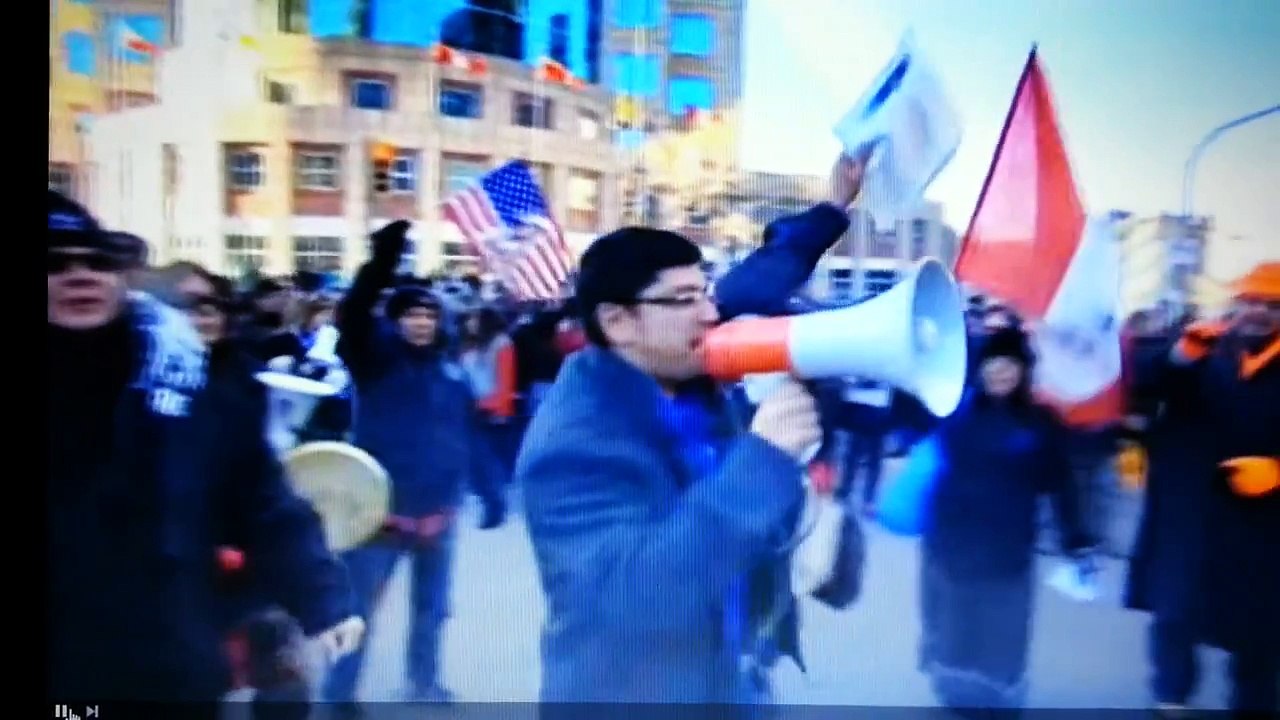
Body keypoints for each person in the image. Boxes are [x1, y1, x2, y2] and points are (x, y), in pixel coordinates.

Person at [517, 152, 869, 712]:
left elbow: (753, 283)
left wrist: (831, 208)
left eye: (704, 293)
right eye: (686, 300)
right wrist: (764, 461)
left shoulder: (675, 359)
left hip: (728, 678)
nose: (710, 314)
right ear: (616, 321)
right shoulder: (573, 444)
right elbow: (639, 596)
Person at [46, 191, 362, 711]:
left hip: (168, 669)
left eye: (98, 261)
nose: (80, 275)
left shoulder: (188, 386)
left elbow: (263, 501)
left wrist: (320, 597)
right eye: (54, 264)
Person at [323, 221, 504, 716]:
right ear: (397, 321)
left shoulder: (452, 372)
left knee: (433, 609)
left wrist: (492, 490)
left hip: (438, 516)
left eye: (428, 315)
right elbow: (355, 315)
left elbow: (471, 435)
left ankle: (424, 681)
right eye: (411, 315)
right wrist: (381, 264)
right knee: (357, 611)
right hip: (378, 516)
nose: (421, 323)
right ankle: (338, 696)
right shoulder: (375, 361)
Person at [1124, 261, 1279, 716]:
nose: (1257, 312)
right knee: (1175, 612)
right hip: (1189, 511)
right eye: (1250, 301)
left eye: (1271, 305)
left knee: (1260, 630)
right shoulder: (1204, 345)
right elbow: (1139, 384)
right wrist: (1180, 357)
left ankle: (1254, 706)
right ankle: (1171, 697)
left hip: (1263, 525)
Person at [916, 326, 1094, 716]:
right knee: (956, 629)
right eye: (993, 363)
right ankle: (956, 701)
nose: (1000, 371)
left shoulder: (1042, 421)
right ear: (979, 367)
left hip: (1009, 547)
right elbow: (909, 429)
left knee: (1003, 635)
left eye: (1010, 363)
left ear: (1023, 370)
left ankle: (998, 703)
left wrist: (1075, 538)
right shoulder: (955, 410)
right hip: (951, 543)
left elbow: (1061, 482)